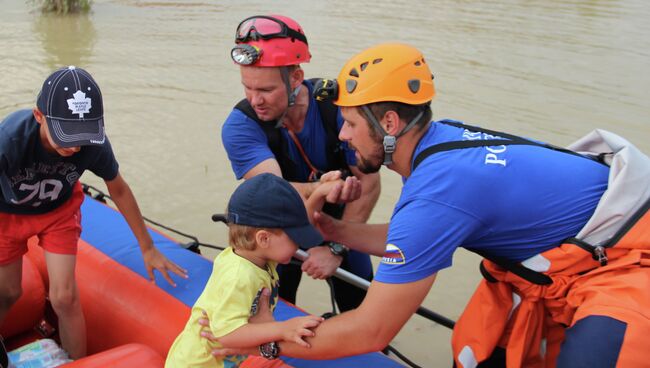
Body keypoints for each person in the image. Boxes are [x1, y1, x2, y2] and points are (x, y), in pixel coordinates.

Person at [208, 43, 650, 367]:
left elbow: (370, 330)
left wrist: (258, 343)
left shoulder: (438, 194)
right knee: (476, 348)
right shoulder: (441, 143)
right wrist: (332, 229)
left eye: (349, 123)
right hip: (583, 254)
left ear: (389, 124)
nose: (342, 136)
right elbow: (415, 236)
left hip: (628, 268)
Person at [0, 66, 187, 360]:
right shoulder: (10, 139)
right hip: (7, 215)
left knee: (66, 297)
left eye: (82, 135)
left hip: (58, 211)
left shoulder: (94, 144)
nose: (74, 146)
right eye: (66, 135)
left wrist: (147, 246)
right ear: (39, 116)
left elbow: (119, 189)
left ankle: (77, 363)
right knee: (9, 291)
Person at [221, 14, 381, 313]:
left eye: (266, 90)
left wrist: (336, 247)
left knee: (362, 309)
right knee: (273, 310)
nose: (255, 100)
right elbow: (272, 194)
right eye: (248, 88)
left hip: (345, 220)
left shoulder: (338, 109)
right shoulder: (240, 126)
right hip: (280, 228)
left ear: (295, 78)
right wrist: (322, 188)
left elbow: (370, 183)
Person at [166, 173, 350, 367]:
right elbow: (227, 335)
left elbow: (301, 221)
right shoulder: (239, 276)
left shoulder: (259, 256)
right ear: (263, 239)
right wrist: (281, 329)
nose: (299, 245)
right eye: (295, 238)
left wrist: (318, 194)